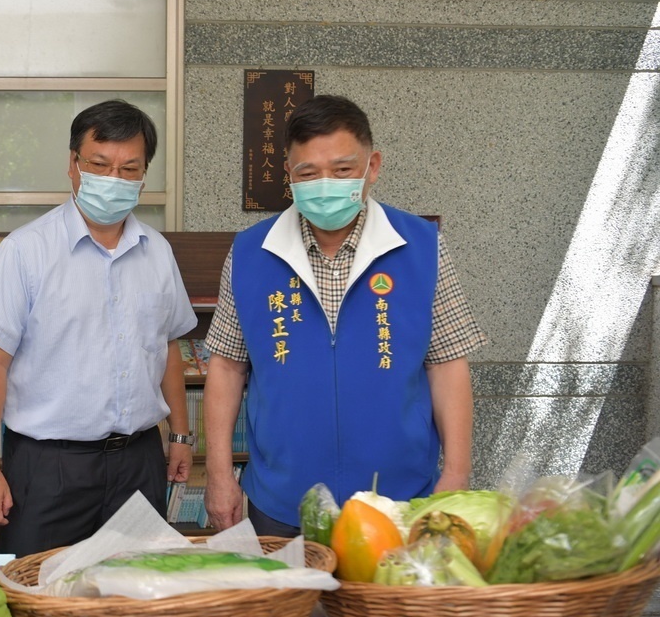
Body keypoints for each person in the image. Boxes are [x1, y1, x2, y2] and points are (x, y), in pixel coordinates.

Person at [202, 94, 487, 536]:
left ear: (372, 167)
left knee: (386, 609)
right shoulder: (250, 253)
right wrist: (220, 476)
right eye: (308, 173)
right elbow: (225, 366)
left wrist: (456, 475)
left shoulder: (422, 247)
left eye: (342, 170)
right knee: (288, 608)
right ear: (289, 178)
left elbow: (448, 365)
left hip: (401, 500)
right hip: (281, 501)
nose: (325, 184)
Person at [0, 99, 198, 557]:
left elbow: (167, 345)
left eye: (130, 168)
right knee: (38, 599)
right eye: (100, 164)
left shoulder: (158, 252)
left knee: (132, 599)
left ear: (144, 174)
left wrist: (182, 436)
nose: (115, 179)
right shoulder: (25, 251)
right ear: (73, 164)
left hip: (139, 460)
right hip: (49, 465)